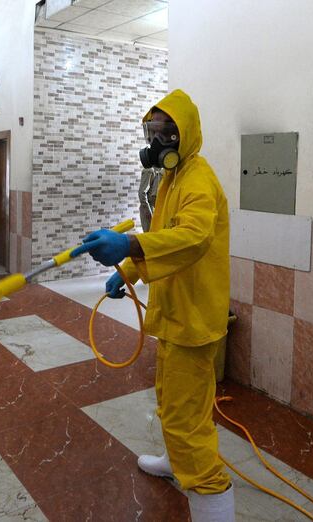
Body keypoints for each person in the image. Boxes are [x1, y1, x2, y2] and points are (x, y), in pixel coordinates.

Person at [72, 89, 234, 521]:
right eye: (152, 132)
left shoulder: (197, 179)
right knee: (174, 399)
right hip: (177, 314)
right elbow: (163, 236)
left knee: (186, 420)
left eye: (166, 132)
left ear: (187, 135)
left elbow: (192, 238)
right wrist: (128, 269)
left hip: (193, 317)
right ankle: (173, 458)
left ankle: (210, 495)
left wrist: (128, 242)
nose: (157, 142)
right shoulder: (174, 179)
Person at [138, 167, 162, 232]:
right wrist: (147, 210)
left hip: (156, 209)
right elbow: (142, 192)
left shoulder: (161, 170)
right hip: (148, 208)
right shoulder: (149, 170)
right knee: (149, 235)